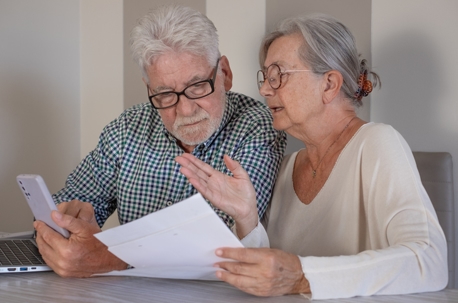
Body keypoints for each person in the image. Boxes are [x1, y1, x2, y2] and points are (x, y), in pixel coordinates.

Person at [175, 13, 448, 299]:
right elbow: (269, 278)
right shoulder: (284, 167)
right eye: (266, 77)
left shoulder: (377, 143)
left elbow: (428, 261)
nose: (264, 89)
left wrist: (302, 276)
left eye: (278, 75)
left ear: (329, 84)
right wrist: (247, 217)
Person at [33, 5, 286, 278]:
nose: (186, 110)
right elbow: (67, 202)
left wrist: (110, 257)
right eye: (165, 94)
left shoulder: (258, 126)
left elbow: (222, 246)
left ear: (224, 73)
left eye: (198, 85)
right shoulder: (128, 128)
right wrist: (64, 223)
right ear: (149, 89)